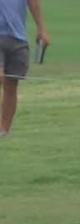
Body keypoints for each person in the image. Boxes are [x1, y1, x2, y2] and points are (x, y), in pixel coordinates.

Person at [0, 0, 47, 139]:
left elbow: (33, 2)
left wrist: (41, 29)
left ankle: (4, 131)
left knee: (11, 85)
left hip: (18, 38)